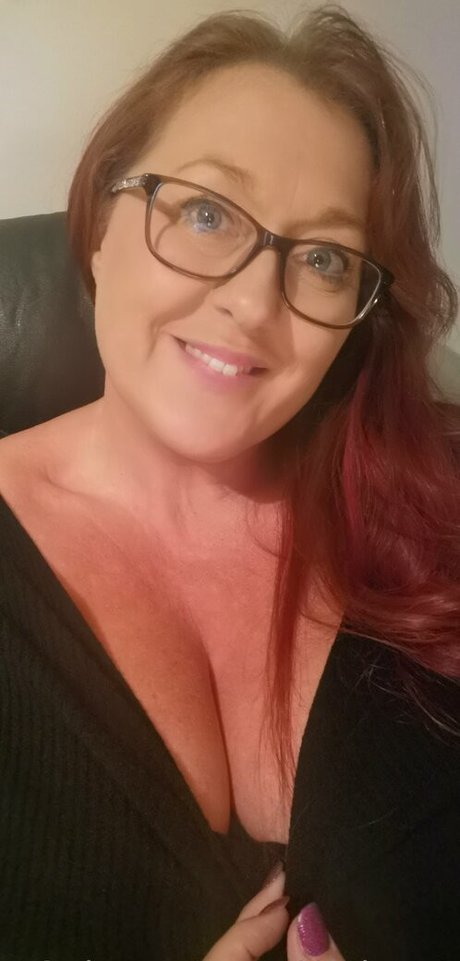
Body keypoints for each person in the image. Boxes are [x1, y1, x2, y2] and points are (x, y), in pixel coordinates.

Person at [0, 4, 459, 960]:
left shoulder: (428, 504)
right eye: (207, 213)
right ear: (100, 224)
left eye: (324, 258)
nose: (252, 303)